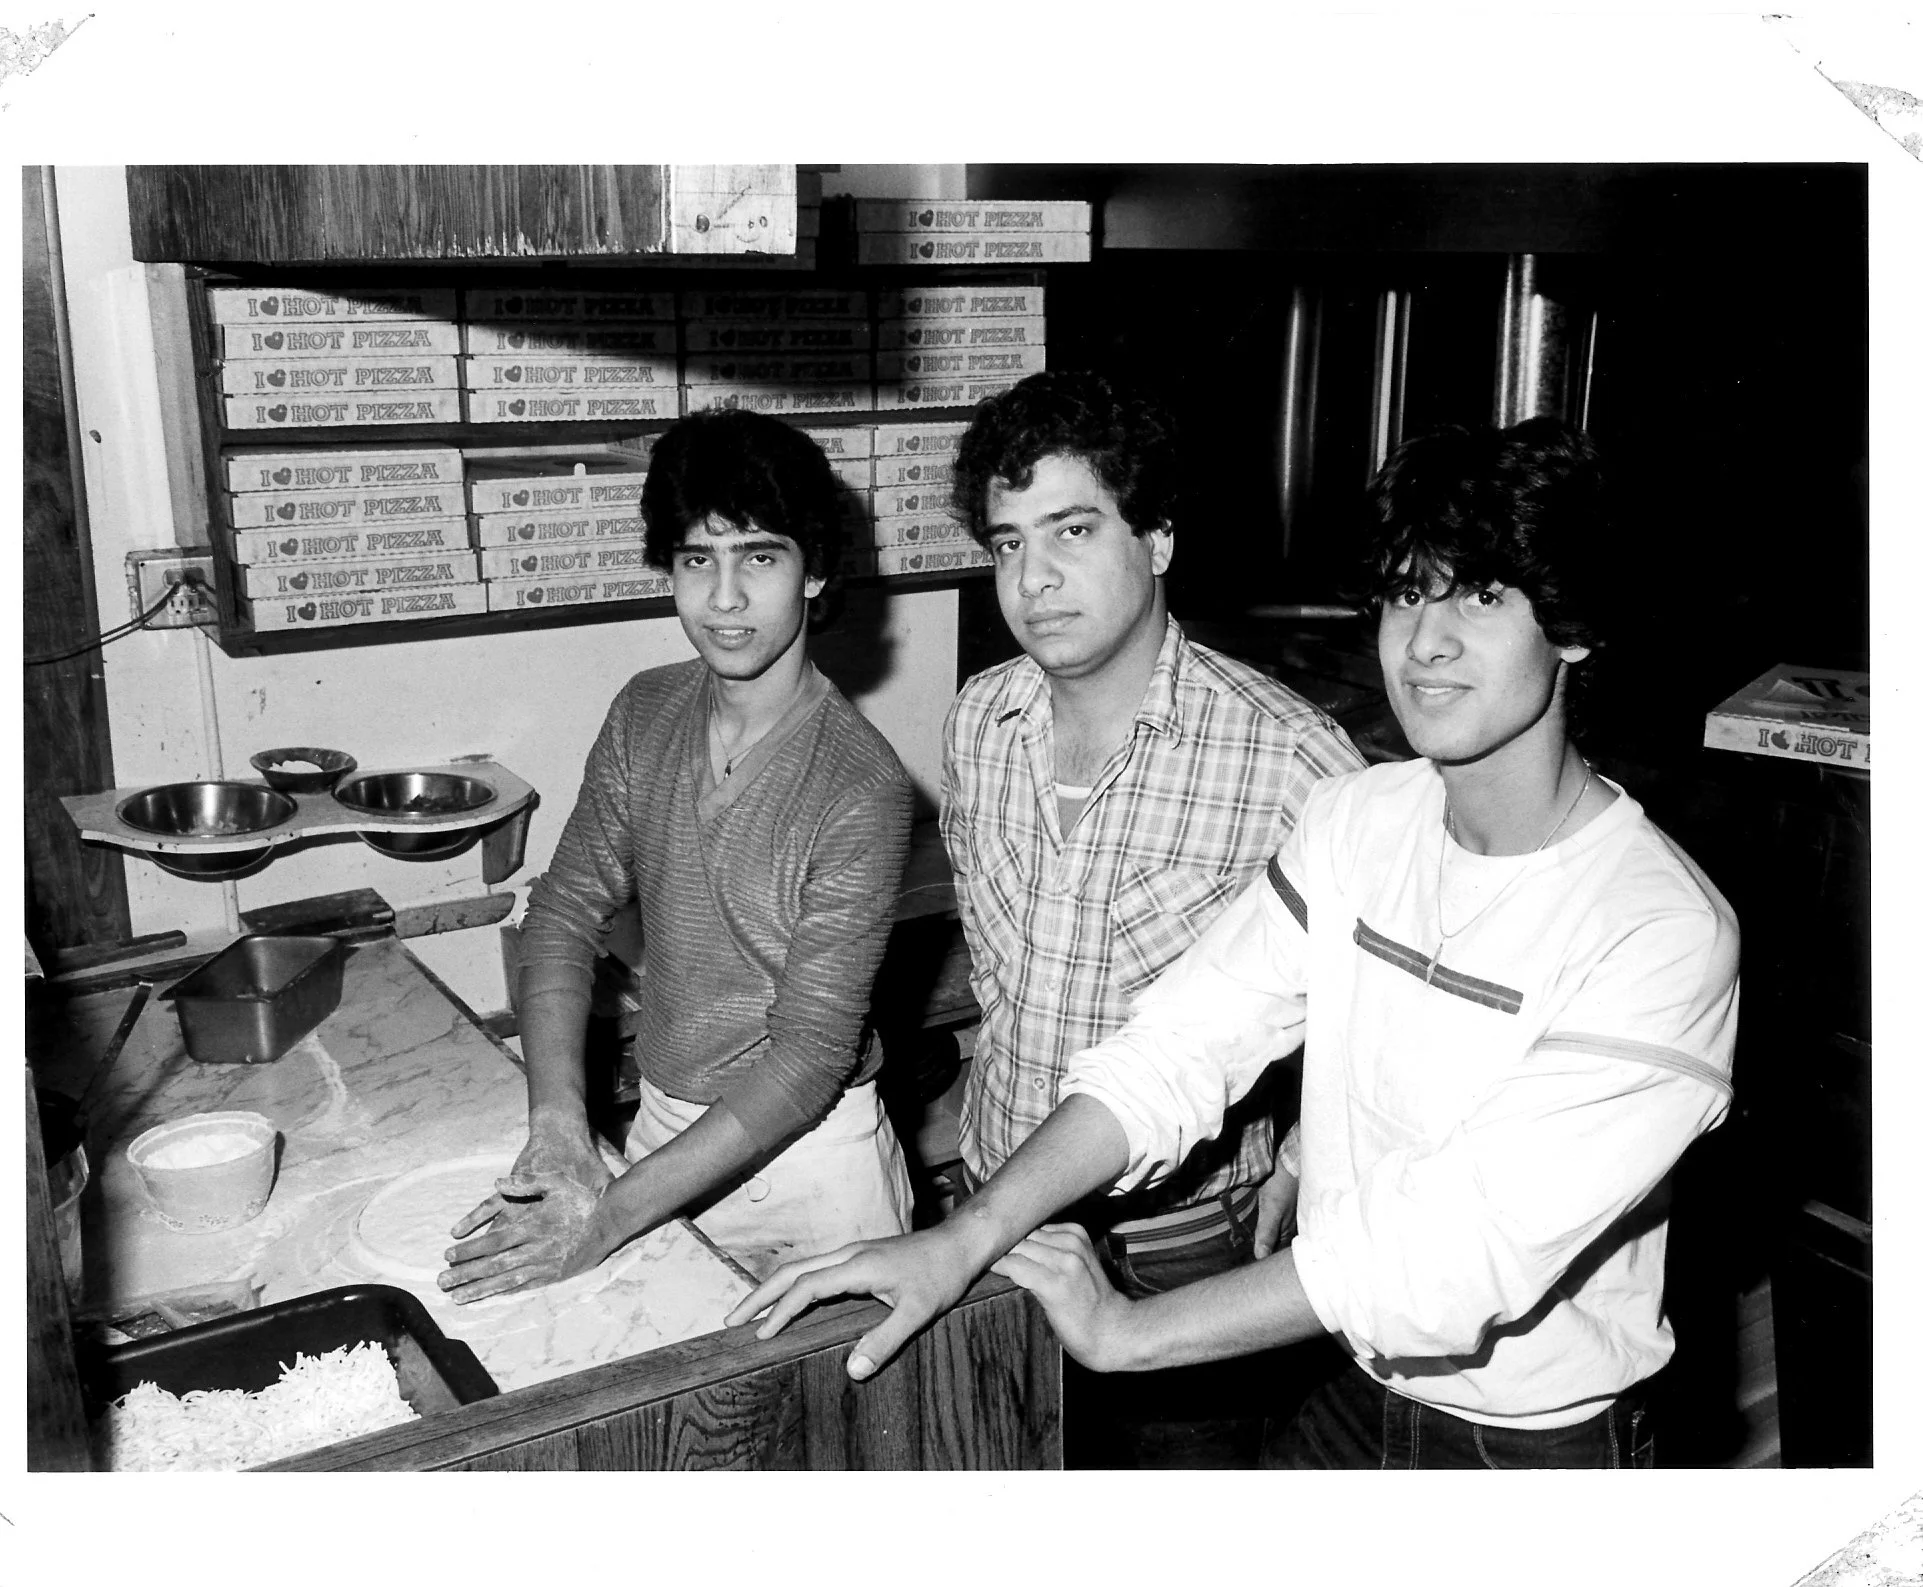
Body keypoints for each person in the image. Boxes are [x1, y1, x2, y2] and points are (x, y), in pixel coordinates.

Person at [731, 417, 1740, 1470]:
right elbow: (1180, 1045)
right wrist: (963, 1237)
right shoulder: (1361, 821)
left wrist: (1128, 1332)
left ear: (1571, 627)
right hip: (1351, 1383)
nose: (1426, 643)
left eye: (1482, 594)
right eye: (1406, 593)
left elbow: (1449, 1259)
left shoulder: (1660, 931)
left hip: (1529, 1441)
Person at [929, 372, 1364, 1460]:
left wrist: (1314, 1151)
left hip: (1181, 1243)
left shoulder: (1293, 759)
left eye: (1073, 530)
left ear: (1158, 541)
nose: (1034, 579)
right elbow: (998, 973)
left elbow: (1387, 1017)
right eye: (1007, 542)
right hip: (994, 1208)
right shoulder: (980, 721)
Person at [441, 408, 915, 1301]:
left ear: (816, 573)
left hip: (811, 1168)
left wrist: (610, 1217)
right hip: (662, 1135)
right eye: (698, 559)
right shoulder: (645, 712)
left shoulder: (861, 785)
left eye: (760, 558)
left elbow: (809, 1058)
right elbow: (561, 913)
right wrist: (558, 1126)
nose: (723, 598)